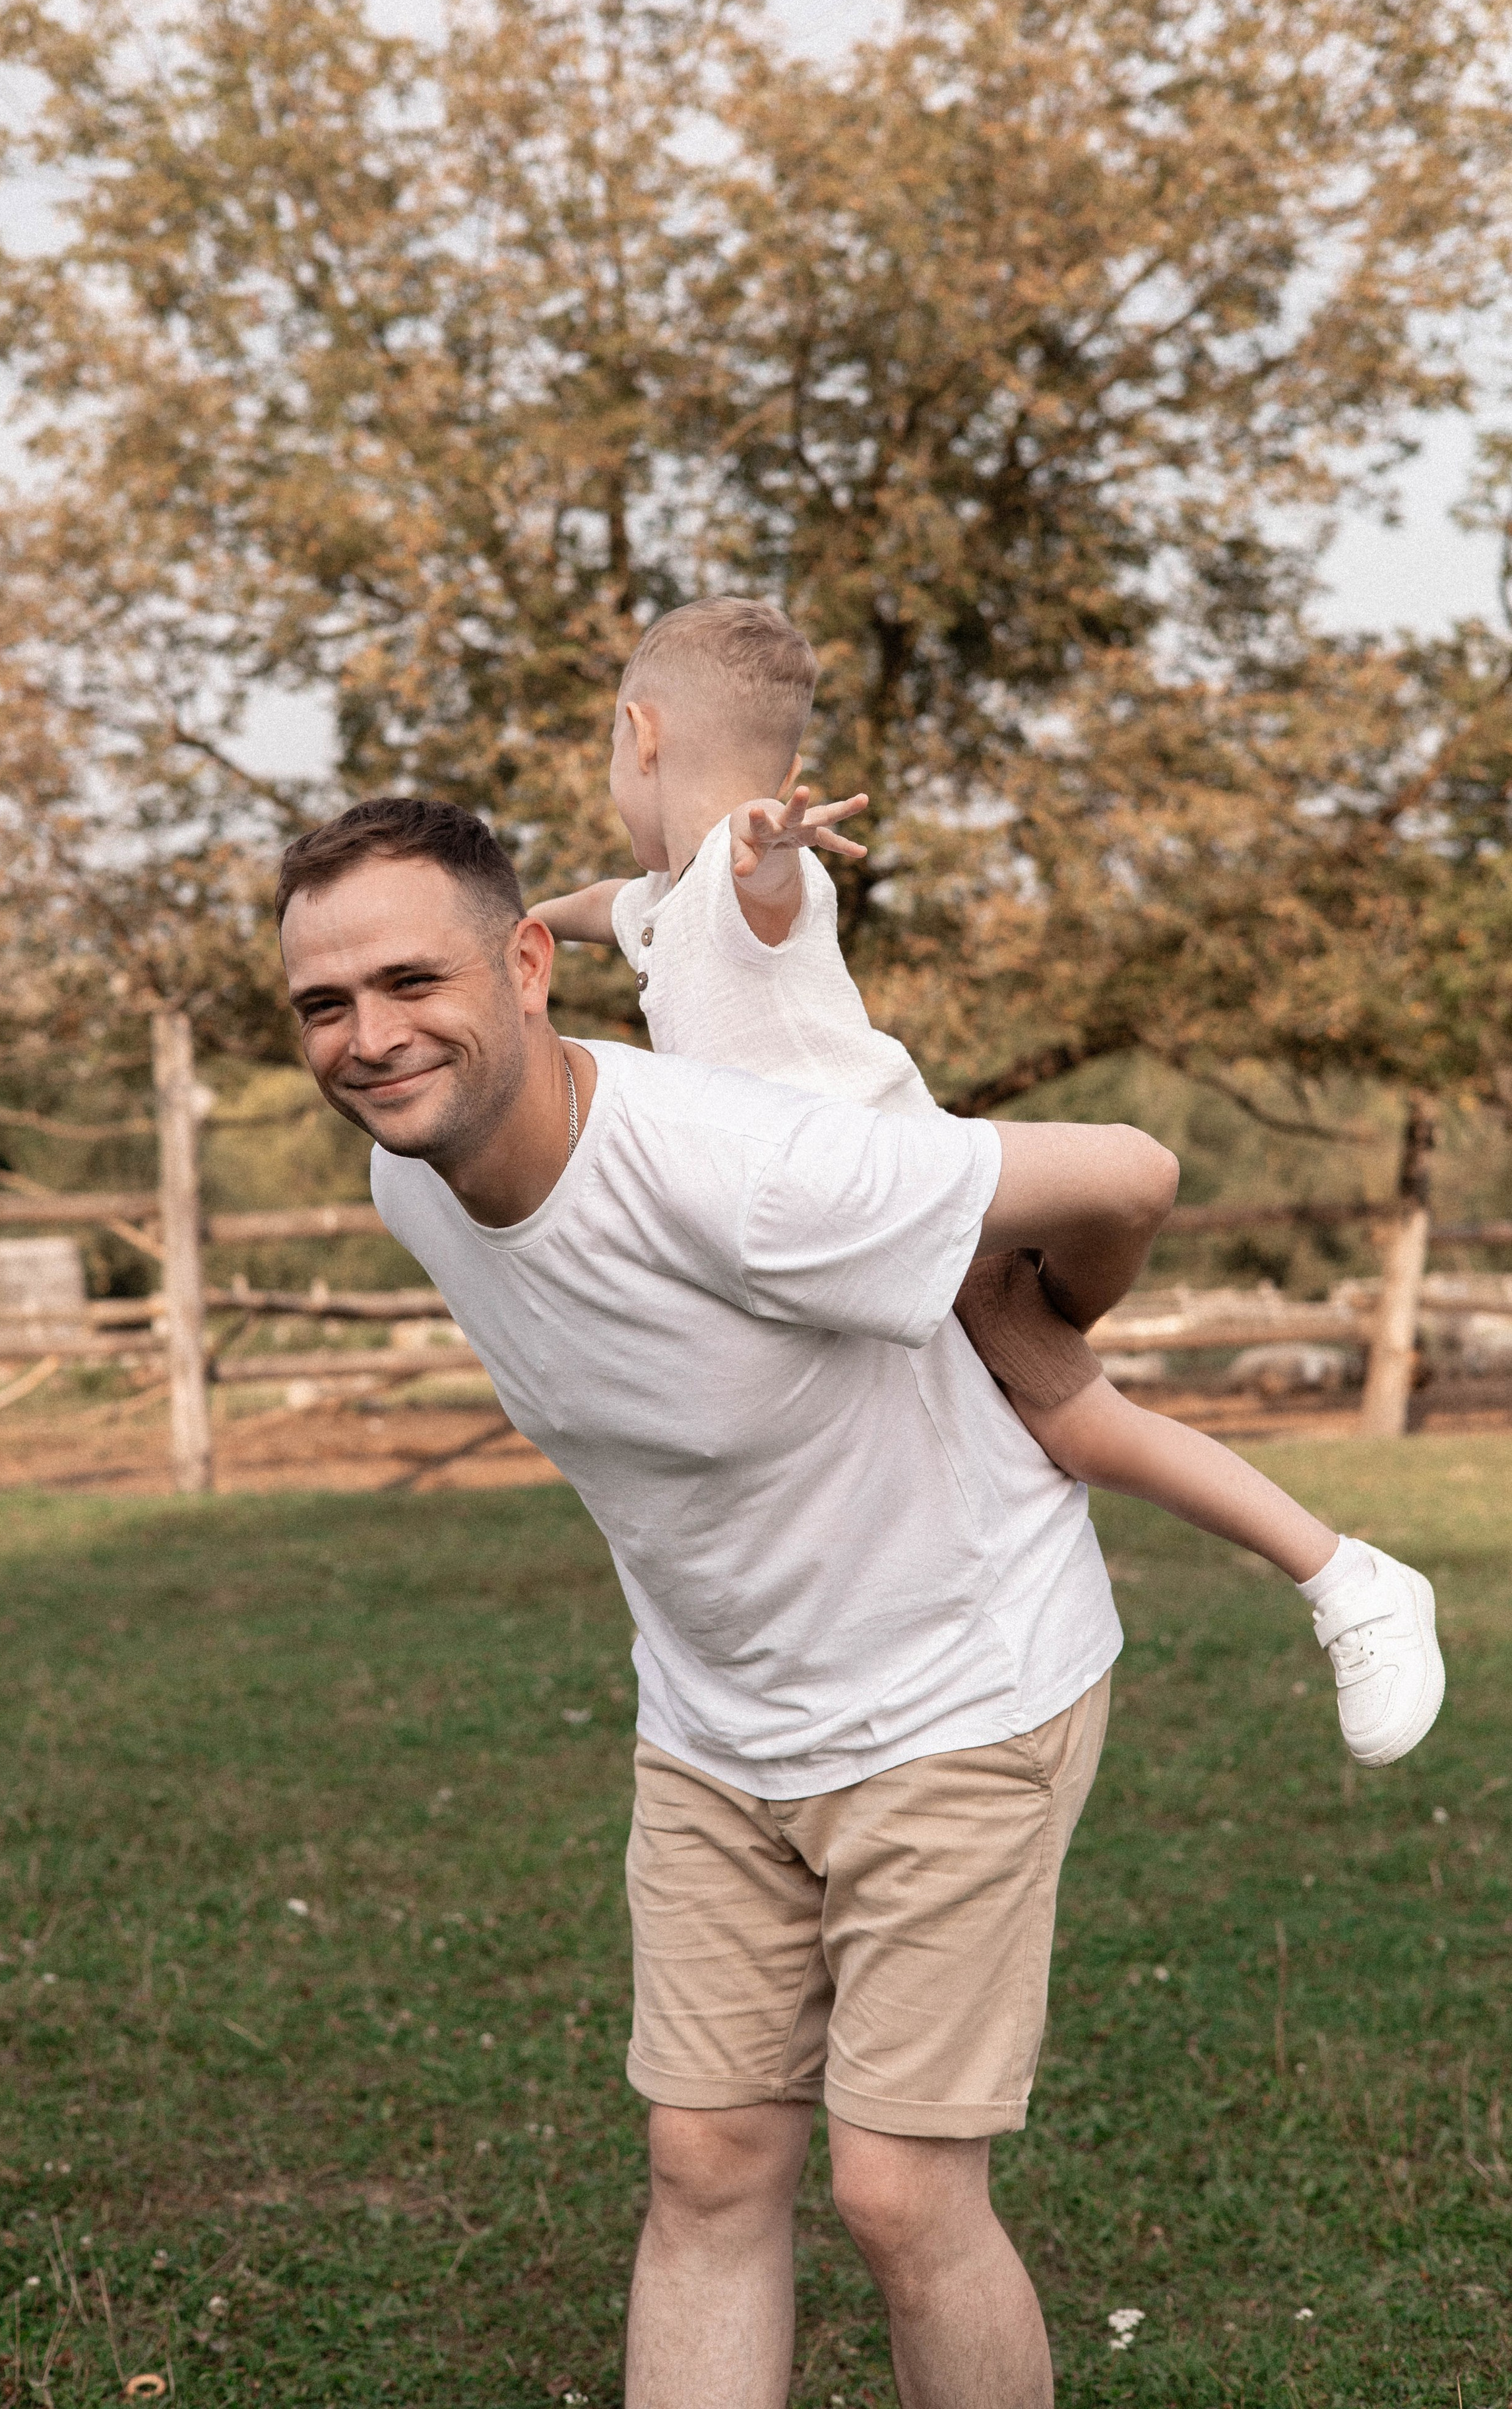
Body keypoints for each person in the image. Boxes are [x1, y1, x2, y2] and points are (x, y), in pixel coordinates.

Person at [281, 792, 1181, 2408]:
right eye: (325, 1004)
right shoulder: (413, 1184)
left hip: (953, 1682)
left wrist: (1040, 1327)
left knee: (900, 2195)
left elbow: (1128, 1165)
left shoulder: (749, 1167)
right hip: (715, 1720)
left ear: (528, 968)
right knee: (704, 2164)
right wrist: (674, 889)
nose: (369, 1037)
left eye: (416, 982)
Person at [526, 596, 1445, 1772]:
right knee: (1021, 1432)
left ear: (637, 735)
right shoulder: (662, 906)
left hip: (927, 1224)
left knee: (1088, 1428)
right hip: (842, 1251)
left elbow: (761, 894)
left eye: (613, 756)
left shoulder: (753, 879)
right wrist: (509, 935)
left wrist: (763, 840)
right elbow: (602, 911)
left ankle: (1349, 1579)